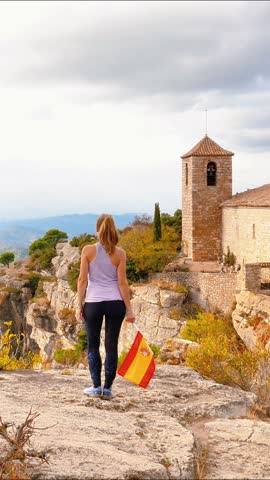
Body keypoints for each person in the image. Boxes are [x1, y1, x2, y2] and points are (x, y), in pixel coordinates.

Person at [76, 214, 135, 400]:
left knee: (93, 346)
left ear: (96, 229)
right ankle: (107, 389)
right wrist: (130, 309)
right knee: (111, 346)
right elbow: (123, 284)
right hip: (115, 303)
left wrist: (79, 304)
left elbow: (82, 280)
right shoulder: (120, 253)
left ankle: (95, 387)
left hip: (93, 302)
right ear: (114, 230)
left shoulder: (87, 250)